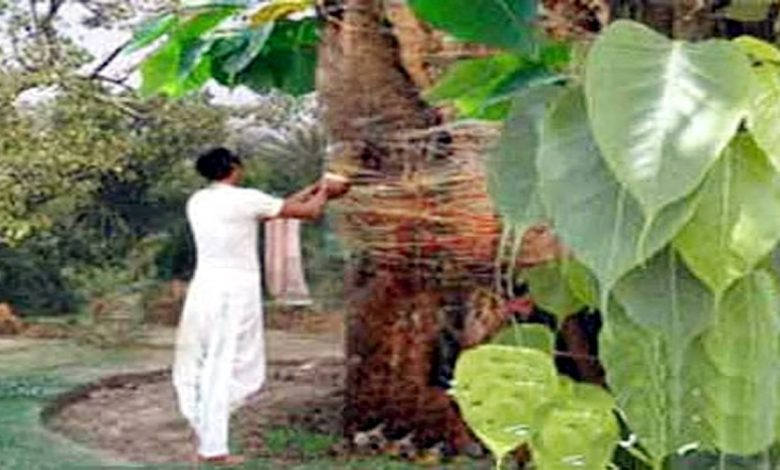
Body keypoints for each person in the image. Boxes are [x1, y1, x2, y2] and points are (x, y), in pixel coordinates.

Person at [172, 147, 348, 465]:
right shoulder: (245, 199)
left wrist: (317, 187)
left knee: (202, 360)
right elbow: (307, 213)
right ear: (234, 167)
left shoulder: (199, 200)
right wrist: (326, 190)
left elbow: (280, 207)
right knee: (228, 364)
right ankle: (213, 449)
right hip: (234, 291)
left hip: (205, 286)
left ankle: (204, 432)